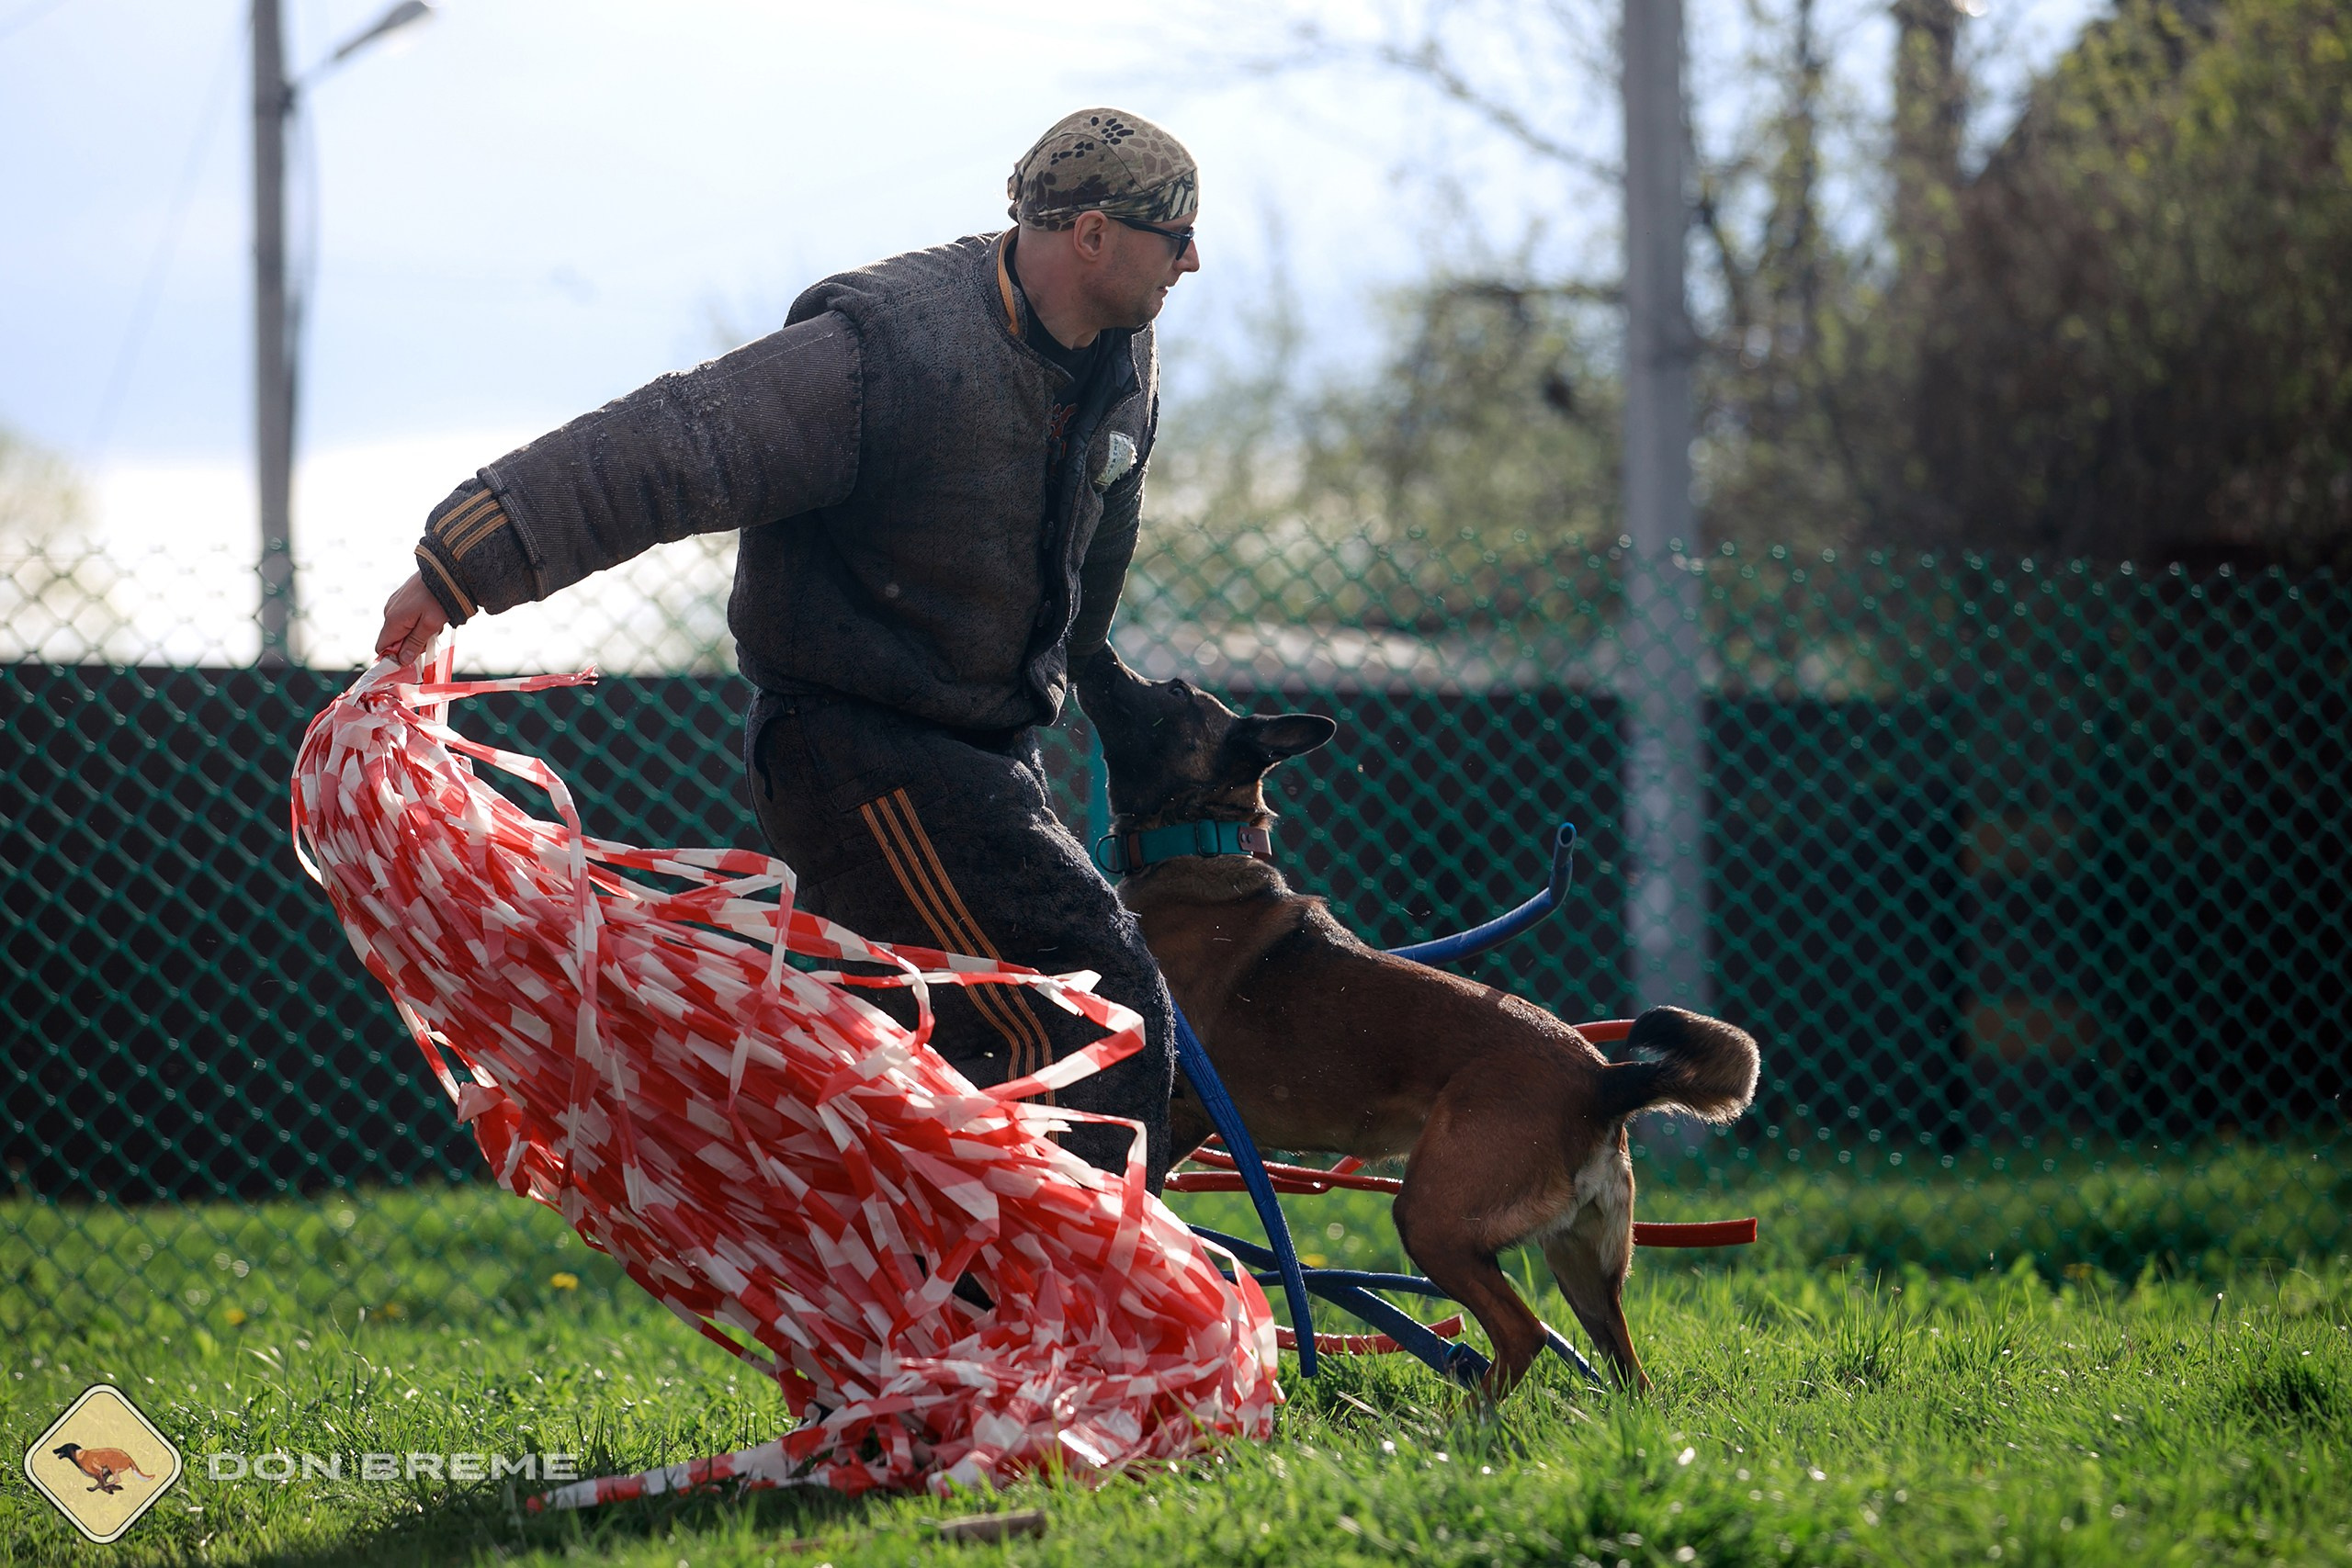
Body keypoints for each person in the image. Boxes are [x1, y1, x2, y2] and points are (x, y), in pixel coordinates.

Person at [372, 107, 1200, 1185]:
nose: (1193, 257)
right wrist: (460, 561)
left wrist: (1078, 665)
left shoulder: (1119, 347)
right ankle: (1046, 1309)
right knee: (1087, 1006)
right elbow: (673, 443)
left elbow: (1104, 522)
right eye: (1172, 231)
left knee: (997, 1039)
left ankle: (971, 1299)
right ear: (1090, 235)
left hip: (979, 758)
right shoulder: (886, 351)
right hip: (859, 753)